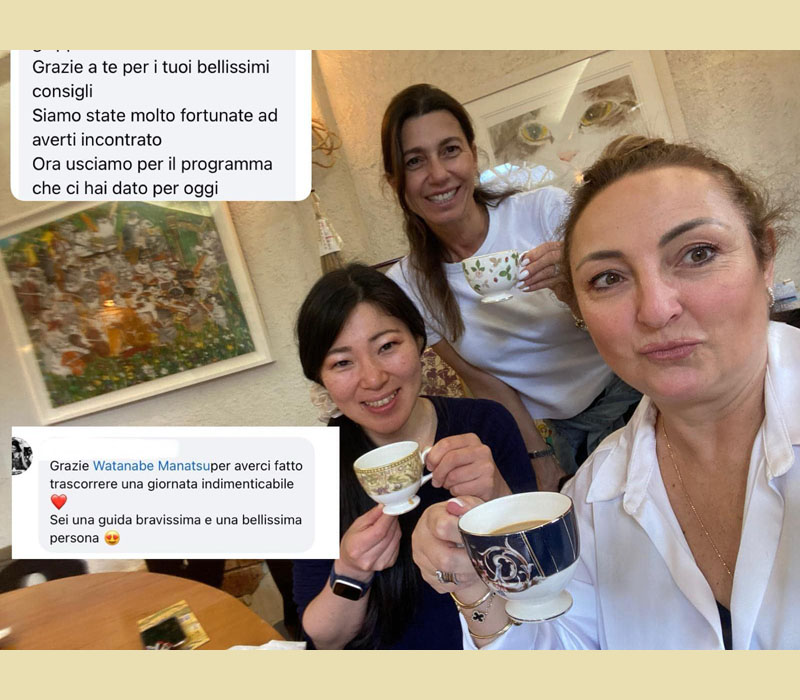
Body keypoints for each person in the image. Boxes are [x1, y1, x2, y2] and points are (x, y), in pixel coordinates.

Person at [411, 135, 800, 649]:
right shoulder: (593, 495)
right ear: (579, 311)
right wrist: (474, 589)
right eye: (608, 278)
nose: (656, 309)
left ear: (765, 258)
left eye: (698, 253)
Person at [381, 84, 641, 488]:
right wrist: (539, 456)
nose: (438, 174)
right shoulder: (408, 285)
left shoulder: (545, 212)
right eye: (415, 161)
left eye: (450, 150)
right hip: (557, 433)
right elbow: (482, 379)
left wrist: (570, 292)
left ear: (473, 155)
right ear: (394, 180)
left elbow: (629, 314)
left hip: (633, 391)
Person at [292, 263, 537, 649]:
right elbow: (324, 639)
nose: (373, 378)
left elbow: (541, 579)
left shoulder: (485, 426)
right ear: (321, 378)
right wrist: (351, 570)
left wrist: (498, 497)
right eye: (342, 362)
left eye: (387, 346)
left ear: (418, 340)